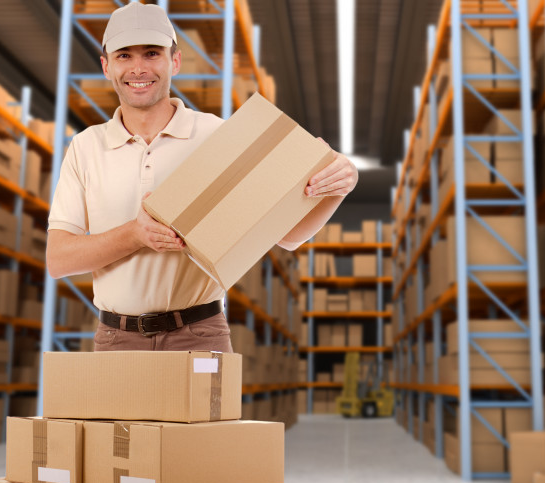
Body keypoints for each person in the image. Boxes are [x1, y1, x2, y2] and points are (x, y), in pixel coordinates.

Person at [46, 2, 357, 353]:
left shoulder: (217, 136)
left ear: (174, 61)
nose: (138, 68)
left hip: (198, 335)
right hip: (117, 339)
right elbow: (59, 260)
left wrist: (338, 187)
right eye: (123, 56)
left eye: (152, 53)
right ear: (106, 66)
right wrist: (135, 234)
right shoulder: (86, 147)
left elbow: (288, 236)